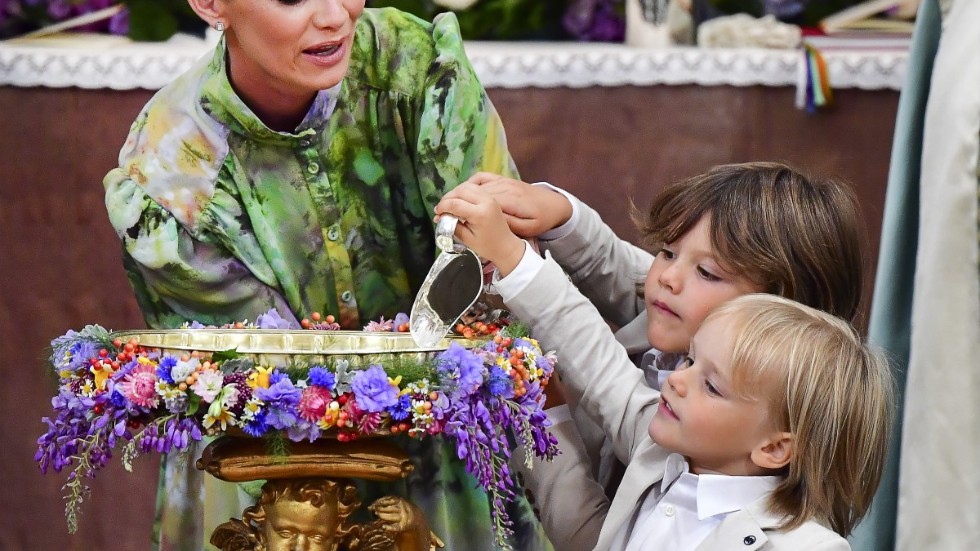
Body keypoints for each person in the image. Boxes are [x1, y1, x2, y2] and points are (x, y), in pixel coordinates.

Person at [102, 2, 546, 550]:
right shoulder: (172, 170)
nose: (335, 15)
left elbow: (496, 267)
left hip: (445, 465)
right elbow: (267, 388)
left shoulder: (416, 67)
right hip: (271, 487)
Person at [434, 162, 868, 548]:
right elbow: (631, 275)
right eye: (668, 251)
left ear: (775, 311)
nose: (667, 278)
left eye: (707, 272)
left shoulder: (691, 438)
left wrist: (515, 261)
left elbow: (608, 379)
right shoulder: (696, 404)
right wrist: (562, 216)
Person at [525, 293, 893, 550]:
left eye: (712, 387)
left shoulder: (809, 547)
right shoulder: (664, 461)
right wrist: (546, 414)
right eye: (689, 359)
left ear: (774, 447)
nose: (675, 380)